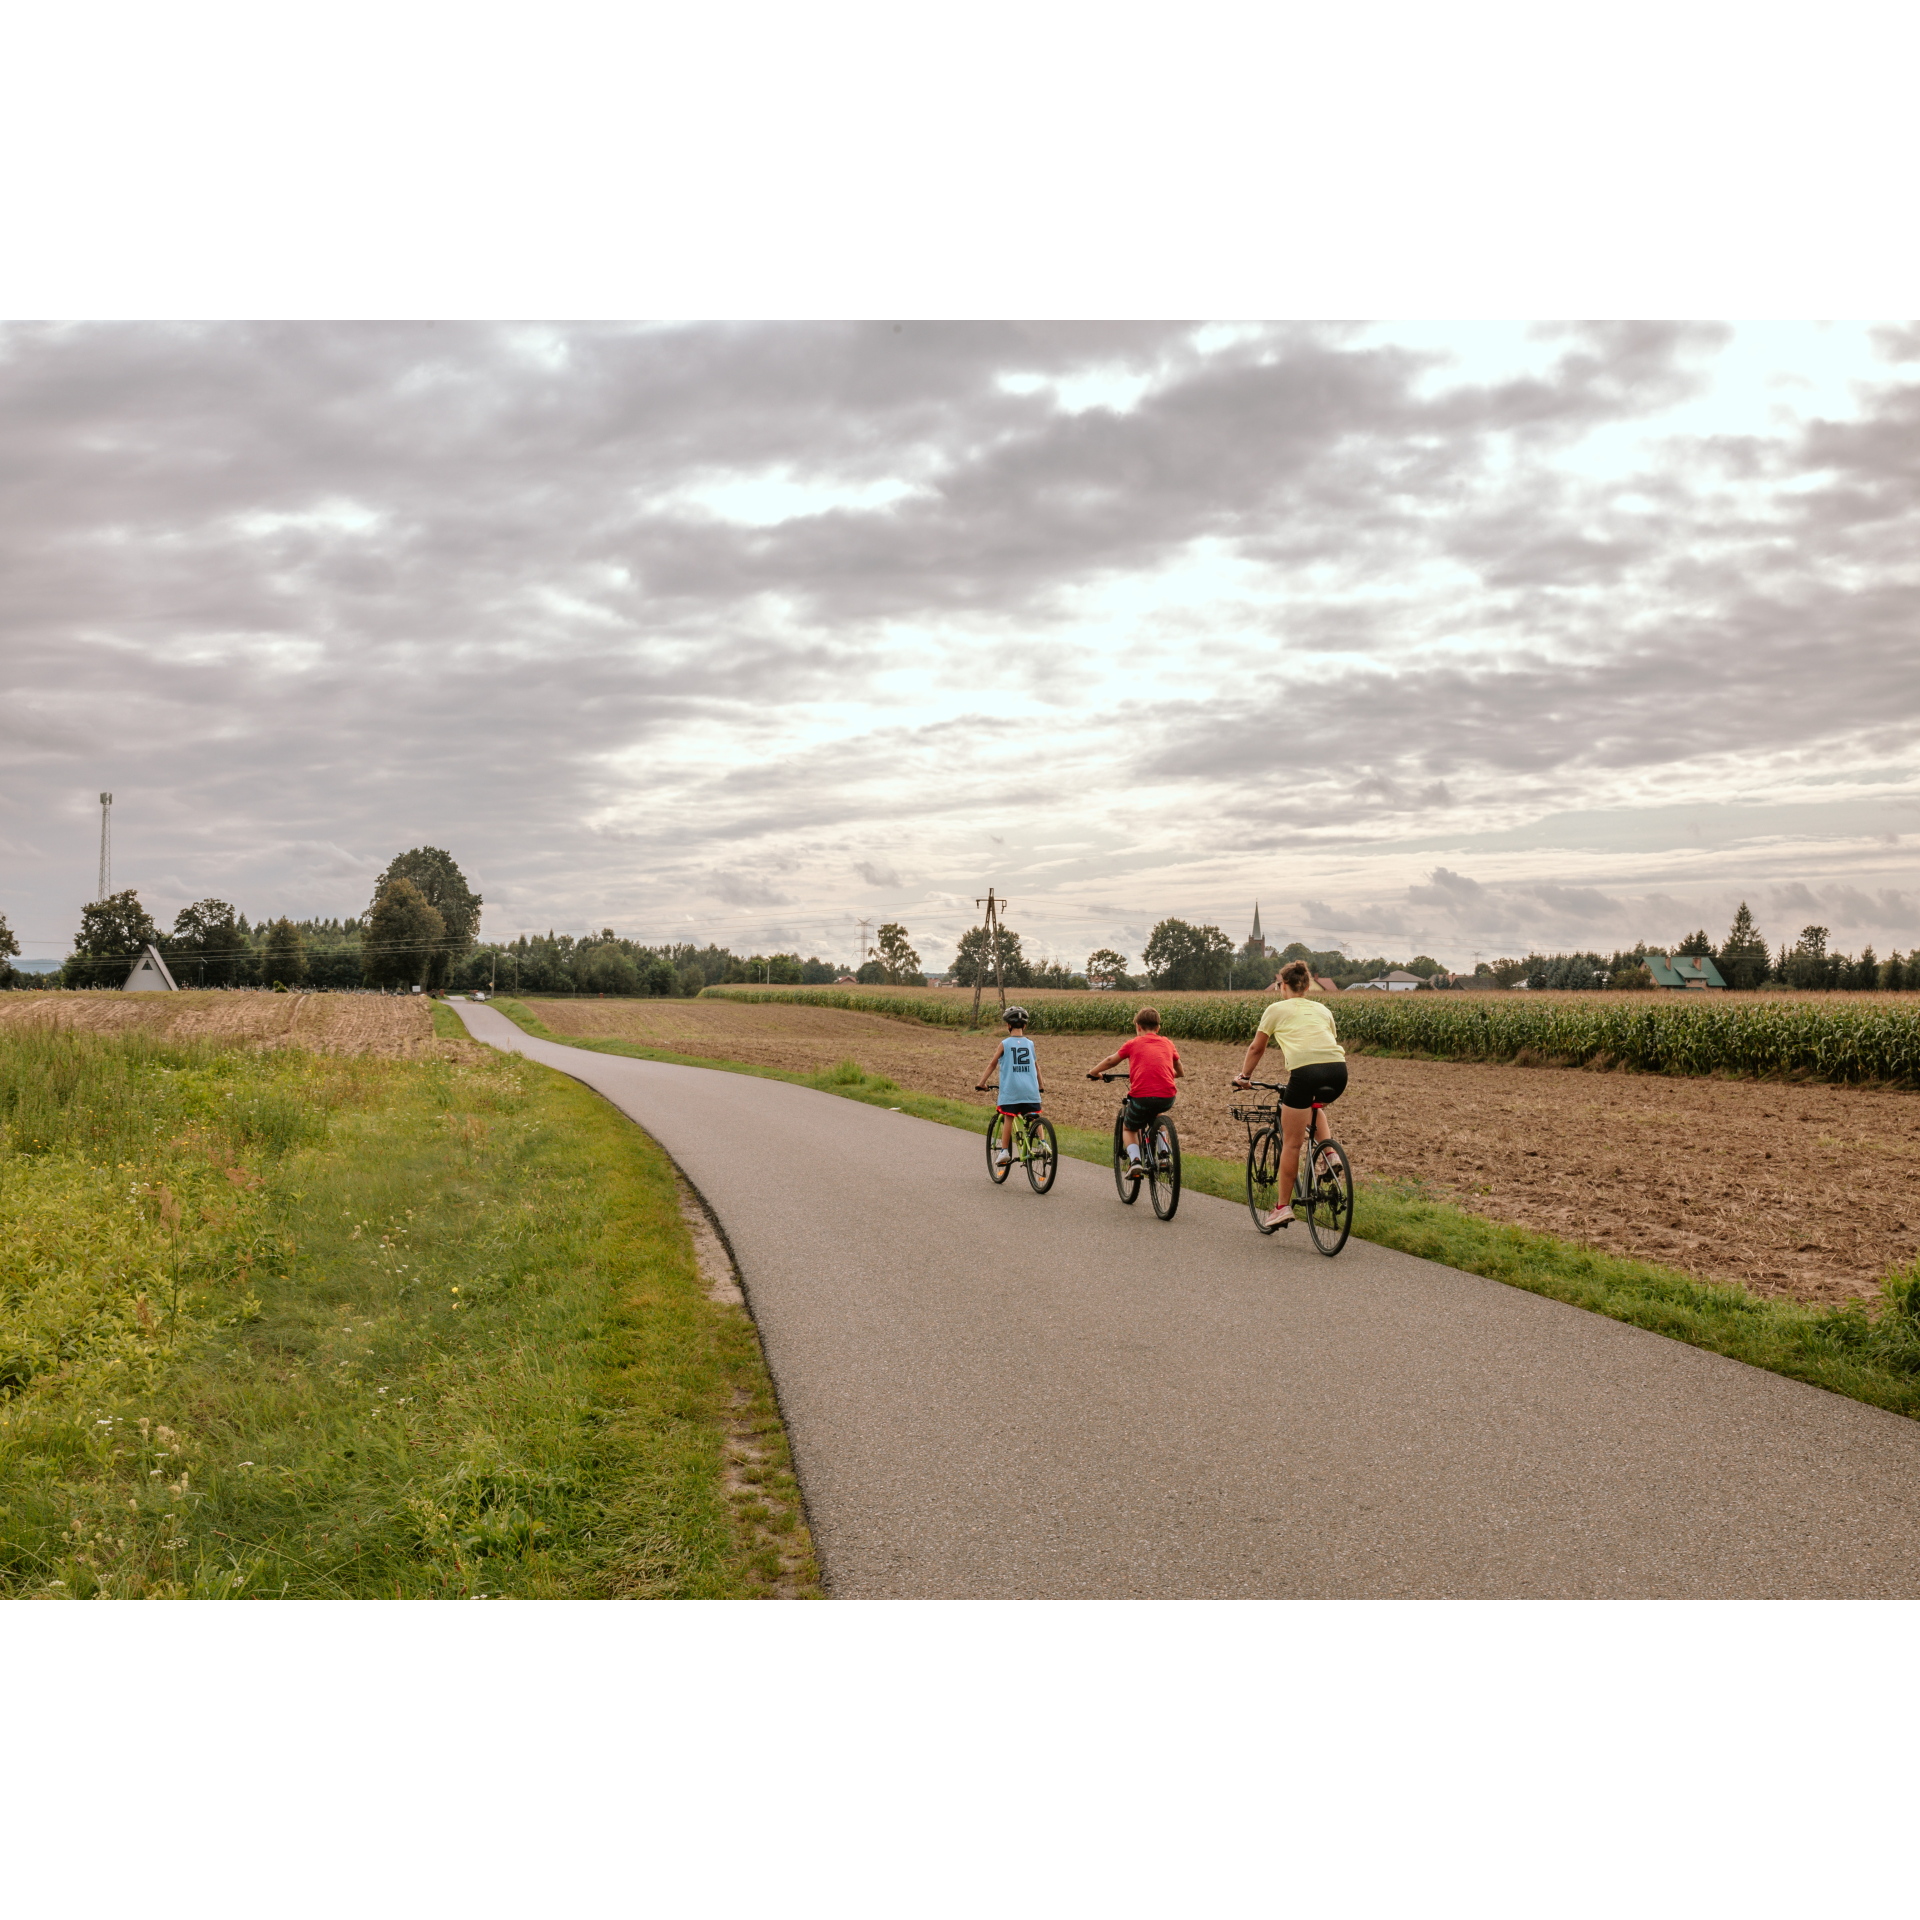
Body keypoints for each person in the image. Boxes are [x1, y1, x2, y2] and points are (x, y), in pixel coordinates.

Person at [1232, 959, 1347, 1227]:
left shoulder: (1276, 1009)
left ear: (1282, 986)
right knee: (1314, 1107)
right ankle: (1330, 1155)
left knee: (1293, 1143)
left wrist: (1244, 1077)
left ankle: (1282, 1207)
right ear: (1307, 986)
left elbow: (1256, 1048)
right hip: (1339, 1072)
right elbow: (1327, 1041)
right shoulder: (1322, 1009)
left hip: (1306, 1073)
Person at [1086, 1006, 1184, 1181]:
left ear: (1138, 1026)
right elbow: (1179, 1070)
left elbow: (1111, 1061)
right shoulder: (1168, 1043)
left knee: (1129, 1127)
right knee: (1157, 1114)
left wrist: (1094, 1072)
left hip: (1142, 1097)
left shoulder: (1133, 1043)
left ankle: (1136, 1161)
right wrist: (1171, 1074)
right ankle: (1163, 1155)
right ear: (1158, 1028)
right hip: (1167, 1097)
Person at [976, 1005, 1045, 1169]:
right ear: (1025, 1026)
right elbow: (1037, 1068)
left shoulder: (1004, 1044)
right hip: (1030, 1090)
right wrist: (1040, 1086)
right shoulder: (1030, 1044)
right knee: (1034, 1116)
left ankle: (1005, 1151)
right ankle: (1043, 1144)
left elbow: (992, 1065)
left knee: (1009, 1116)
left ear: (1008, 1025)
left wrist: (981, 1083)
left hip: (1012, 1091)